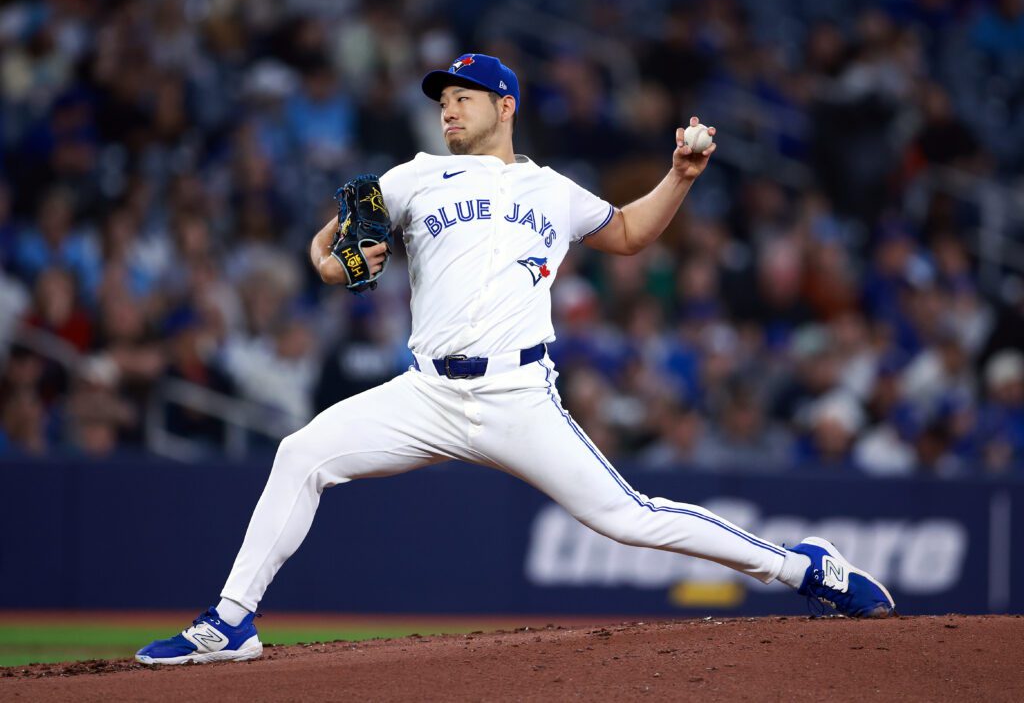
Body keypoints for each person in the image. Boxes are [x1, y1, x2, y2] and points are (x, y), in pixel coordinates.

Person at [136, 53, 895, 665]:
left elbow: (627, 235)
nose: (449, 106)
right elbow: (335, 256)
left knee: (630, 519)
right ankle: (231, 622)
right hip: (426, 393)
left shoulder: (553, 190)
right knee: (302, 454)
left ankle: (804, 569)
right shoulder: (411, 176)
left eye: (465, 95)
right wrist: (329, 255)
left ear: (505, 106)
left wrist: (680, 179)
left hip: (519, 395)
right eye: (443, 97)